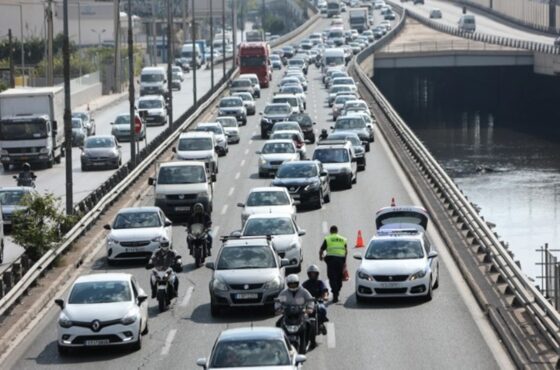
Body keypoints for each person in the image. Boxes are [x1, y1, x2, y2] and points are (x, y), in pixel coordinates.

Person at [275, 274, 317, 347]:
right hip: (288, 315)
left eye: (295, 284)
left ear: (298, 283)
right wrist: (278, 309)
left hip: (301, 314)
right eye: (291, 284)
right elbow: (278, 302)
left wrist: (310, 308)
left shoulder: (304, 291)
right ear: (288, 284)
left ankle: (312, 342)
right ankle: (280, 344)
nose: (293, 286)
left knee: (310, 324)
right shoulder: (284, 293)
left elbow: (310, 300)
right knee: (278, 324)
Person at [319, 225, 348, 303]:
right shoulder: (343, 239)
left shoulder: (328, 239)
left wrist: (321, 257)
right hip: (340, 260)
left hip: (331, 260)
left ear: (330, 231)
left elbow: (321, 250)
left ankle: (335, 293)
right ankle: (337, 291)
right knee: (339, 277)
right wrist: (344, 261)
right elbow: (346, 251)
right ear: (337, 231)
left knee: (332, 277)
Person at [302, 265, 329, 335]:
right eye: (311, 273)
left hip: (318, 301)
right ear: (309, 274)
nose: (313, 275)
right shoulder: (305, 284)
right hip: (307, 303)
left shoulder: (320, 283)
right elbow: (300, 291)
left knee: (322, 309)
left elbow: (325, 290)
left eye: (314, 273)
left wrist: (325, 296)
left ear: (317, 274)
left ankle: (321, 324)